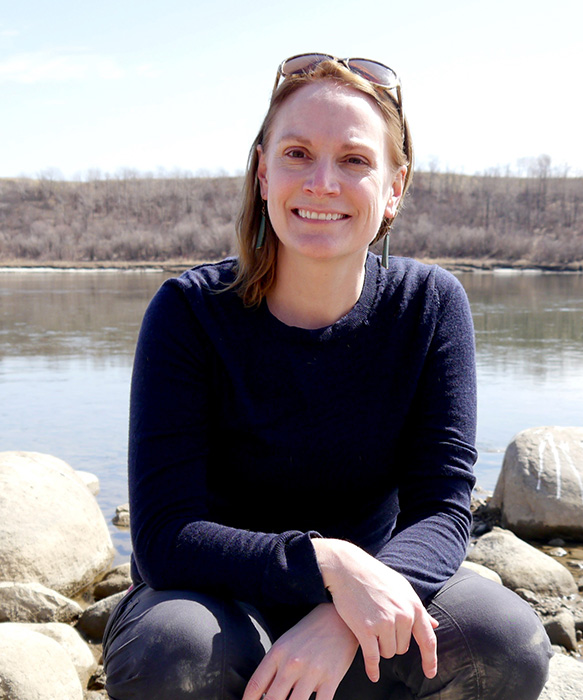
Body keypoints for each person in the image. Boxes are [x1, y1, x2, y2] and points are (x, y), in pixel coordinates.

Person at [102, 53, 552, 700]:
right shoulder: (190, 313)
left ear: (395, 187)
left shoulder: (429, 307)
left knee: (502, 640)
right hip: (212, 603)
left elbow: (443, 511)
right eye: (296, 153)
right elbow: (165, 535)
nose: (321, 182)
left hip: (367, 602)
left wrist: (349, 610)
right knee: (172, 652)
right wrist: (331, 565)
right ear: (262, 172)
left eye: (354, 160)